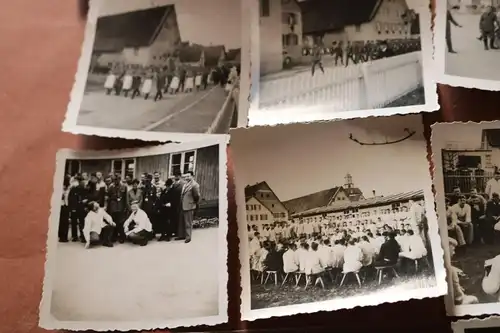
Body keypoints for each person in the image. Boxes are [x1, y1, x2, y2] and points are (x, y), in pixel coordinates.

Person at [179, 171, 200, 243]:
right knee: (183, 221)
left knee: (188, 222)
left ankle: (188, 237)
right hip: (183, 205)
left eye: (188, 176)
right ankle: (182, 235)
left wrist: (193, 203)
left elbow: (197, 196)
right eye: (185, 176)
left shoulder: (194, 185)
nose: (186, 178)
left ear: (192, 176)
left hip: (189, 205)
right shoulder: (185, 184)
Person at [107, 174, 128, 243]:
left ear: (119, 179)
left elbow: (125, 198)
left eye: (117, 179)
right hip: (113, 206)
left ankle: (122, 236)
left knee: (121, 222)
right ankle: (114, 236)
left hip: (121, 206)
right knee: (114, 222)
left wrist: (125, 207)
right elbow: (108, 197)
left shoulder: (124, 186)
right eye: (114, 180)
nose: (116, 181)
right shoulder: (111, 186)